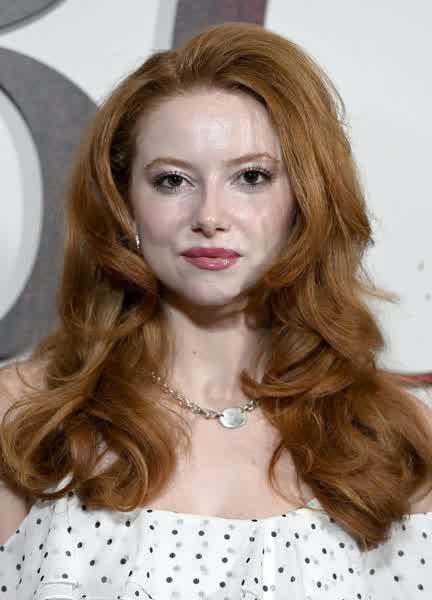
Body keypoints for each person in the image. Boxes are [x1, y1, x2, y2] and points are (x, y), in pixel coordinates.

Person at [1, 21, 432, 600]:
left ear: (304, 200)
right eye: (173, 180)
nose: (209, 215)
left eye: (251, 177)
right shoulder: (23, 418)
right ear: (125, 204)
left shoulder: (394, 437)